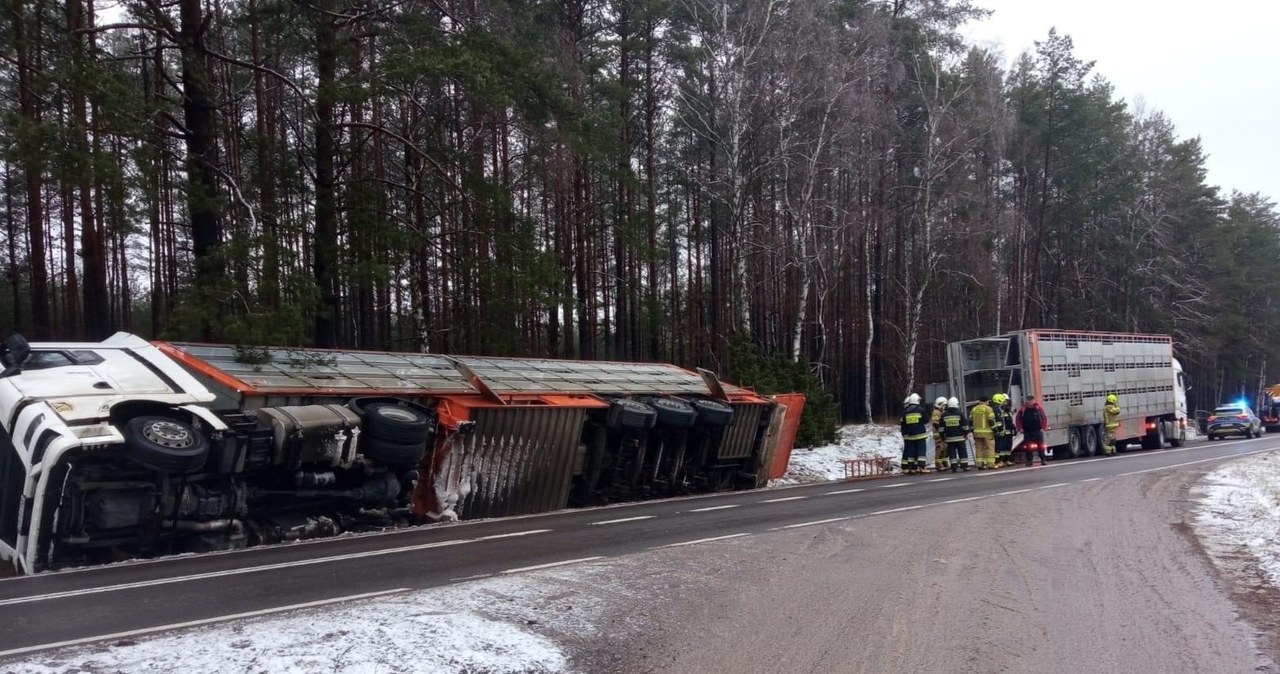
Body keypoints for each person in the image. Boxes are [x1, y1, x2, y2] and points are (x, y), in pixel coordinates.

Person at [1015, 394, 1049, 466]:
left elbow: (1044, 418)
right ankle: (1029, 461)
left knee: (1040, 446)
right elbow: (1018, 419)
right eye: (1029, 400)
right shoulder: (1023, 409)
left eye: (1031, 400)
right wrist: (1020, 428)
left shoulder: (1038, 408)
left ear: (1034, 401)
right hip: (1027, 431)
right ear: (1026, 401)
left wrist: (1043, 428)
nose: (1030, 402)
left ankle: (1043, 459)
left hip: (1037, 430)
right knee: (1028, 446)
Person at [900, 393, 929, 474]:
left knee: (911, 452)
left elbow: (903, 424)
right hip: (920, 435)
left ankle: (912, 468)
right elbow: (926, 420)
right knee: (921, 452)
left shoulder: (905, 412)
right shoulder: (921, 410)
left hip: (911, 436)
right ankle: (922, 467)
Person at [939, 396, 971, 472]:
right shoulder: (960, 414)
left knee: (952, 452)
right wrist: (966, 433)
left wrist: (943, 437)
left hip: (949, 438)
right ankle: (965, 466)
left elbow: (941, 428)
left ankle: (954, 467)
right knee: (962, 452)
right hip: (960, 437)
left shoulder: (944, 415)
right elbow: (965, 426)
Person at [969, 395, 996, 469]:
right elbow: (991, 420)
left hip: (976, 433)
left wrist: (972, 430)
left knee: (979, 448)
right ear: (987, 401)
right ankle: (990, 464)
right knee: (989, 448)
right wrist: (995, 429)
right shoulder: (988, 409)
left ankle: (980, 465)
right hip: (987, 433)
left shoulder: (974, 409)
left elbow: (970, 421)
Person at [992, 393, 1015, 467]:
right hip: (1003, 432)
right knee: (1001, 448)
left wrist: (1014, 428)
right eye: (1005, 401)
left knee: (1008, 447)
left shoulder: (1005, 410)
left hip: (1009, 432)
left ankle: (1006, 460)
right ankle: (1000, 461)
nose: (1006, 403)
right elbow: (1000, 421)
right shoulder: (999, 410)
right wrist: (1000, 430)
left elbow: (1009, 421)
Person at [931, 397, 950, 472]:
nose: (944, 407)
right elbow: (935, 423)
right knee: (940, 449)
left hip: (942, 434)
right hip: (938, 435)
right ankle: (939, 464)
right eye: (944, 405)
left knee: (944, 448)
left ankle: (944, 463)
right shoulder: (936, 412)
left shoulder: (940, 412)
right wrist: (941, 430)